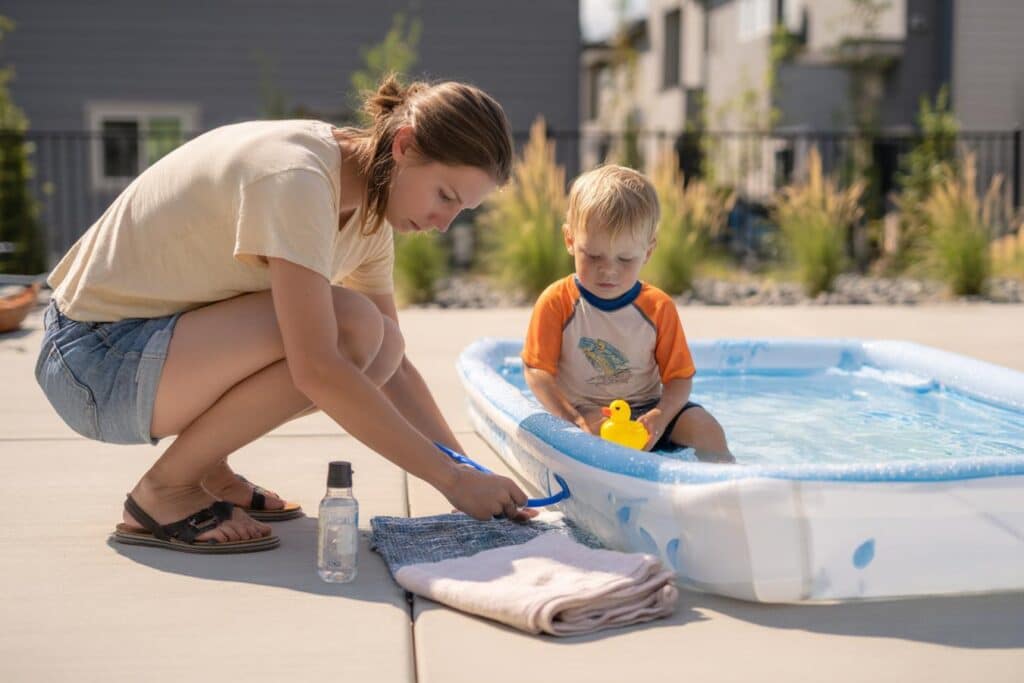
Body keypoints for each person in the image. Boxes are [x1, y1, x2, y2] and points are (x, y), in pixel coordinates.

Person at [35, 74, 533, 554]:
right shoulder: (298, 177)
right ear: (403, 146)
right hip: (94, 362)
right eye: (444, 196)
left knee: (381, 344)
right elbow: (316, 367)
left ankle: (208, 467)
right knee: (350, 329)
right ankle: (166, 490)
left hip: (144, 353)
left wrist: (467, 472)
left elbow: (394, 369)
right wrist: (449, 479)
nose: (443, 225)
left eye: (460, 210)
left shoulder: (370, 216)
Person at [521, 165, 733, 462]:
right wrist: (574, 418)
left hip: (647, 410)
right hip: (584, 409)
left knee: (707, 430)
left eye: (625, 258)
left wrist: (659, 418)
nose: (608, 269)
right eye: (593, 255)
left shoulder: (658, 308)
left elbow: (679, 380)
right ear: (570, 240)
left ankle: (726, 491)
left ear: (647, 252)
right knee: (595, 440)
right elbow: (537, 372)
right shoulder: (557, 302)